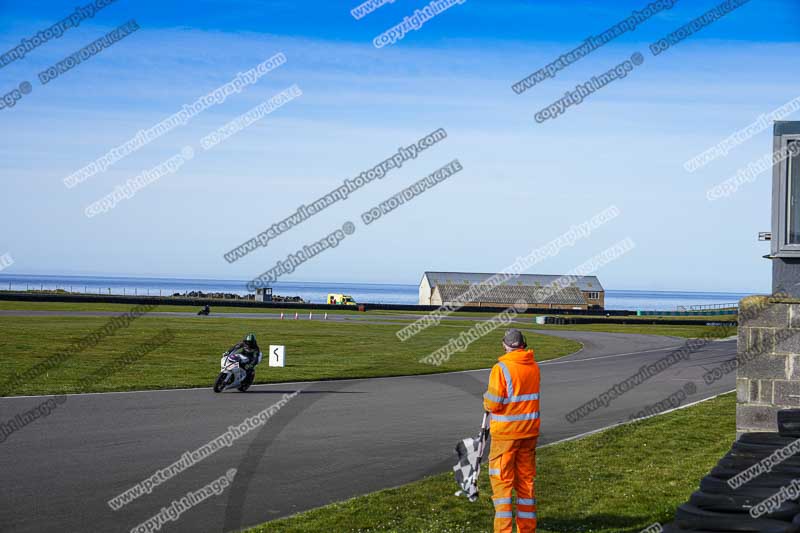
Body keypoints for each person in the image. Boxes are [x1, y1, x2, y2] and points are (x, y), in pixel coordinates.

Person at [483, 328, 541, 533]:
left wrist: (486, 399)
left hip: (506, 435)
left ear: (504, 345)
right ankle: (527, 529)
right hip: (529, 433)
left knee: (502, 485)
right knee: (526, 482)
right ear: (523, 343)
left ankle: (504, 530)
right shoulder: (533, 366)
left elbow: (494, 402)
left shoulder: (501, 368)